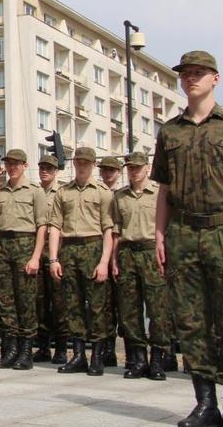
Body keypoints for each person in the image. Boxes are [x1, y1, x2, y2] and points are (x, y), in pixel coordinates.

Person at [153, 50, 223, 427]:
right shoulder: (169, 131)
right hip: (183, 232)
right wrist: (159, 234)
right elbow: (164, 189)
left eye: (199, 73)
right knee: (191, 322)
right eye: (186, 74)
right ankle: (205, 404)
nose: (191, 79)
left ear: (215, 78)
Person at [47, 147, 114, 376]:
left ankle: (96, 355)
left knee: (96, 305)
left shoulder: (103, 193)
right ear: (74, 163)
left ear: (93, 164)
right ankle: (77, 355)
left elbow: (108, 229)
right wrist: (54, 258)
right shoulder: (63, 192)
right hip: (70, 249)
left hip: (93, 246)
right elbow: (55, 226)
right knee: (72, 303)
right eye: (79, 162)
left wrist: (104, 261)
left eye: (87, 162)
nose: (82, 166)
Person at [111, 150, 171, 381]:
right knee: (129, 310)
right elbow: (116, 230)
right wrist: (115, 259)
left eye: (137, 167)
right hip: (127, 252)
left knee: (158, 309)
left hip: (151, 251)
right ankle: (137, 359)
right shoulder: (120, 197)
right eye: (130, 168)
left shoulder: (158, 194)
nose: (133, 171)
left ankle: (157, 359)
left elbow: (167, 226)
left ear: (147, 168)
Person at [0, 149, 47, 371]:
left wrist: (35, 257)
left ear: (24, 165)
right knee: (6, 301)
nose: (12, 167)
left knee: (26, 302)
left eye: (16, 164)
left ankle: (25, 351)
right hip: (3, 246)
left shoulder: (35, 191)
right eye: (9, 163)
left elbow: (42, 226)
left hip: (25, 244)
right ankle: (10, 349)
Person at [35, 154, 68, 364]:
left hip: (58, 251)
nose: (45, 171)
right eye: (42, 167)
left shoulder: (63, 192)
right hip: (38, 251)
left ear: (56, 171)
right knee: (40, 301)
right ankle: (43, 346)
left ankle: (62, 347)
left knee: (59, 303)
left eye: (49, 168)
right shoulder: (34, 191)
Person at [98, 155, 123, 369]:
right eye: (104, 170)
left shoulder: (122, 195)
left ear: (119, 172)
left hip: (125, 253)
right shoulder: (97, 193)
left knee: (126, 307)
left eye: (111, 170)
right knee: (105, 306)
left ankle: (135, 354)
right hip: (103, 253)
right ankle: (108, 350)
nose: (107, 174)